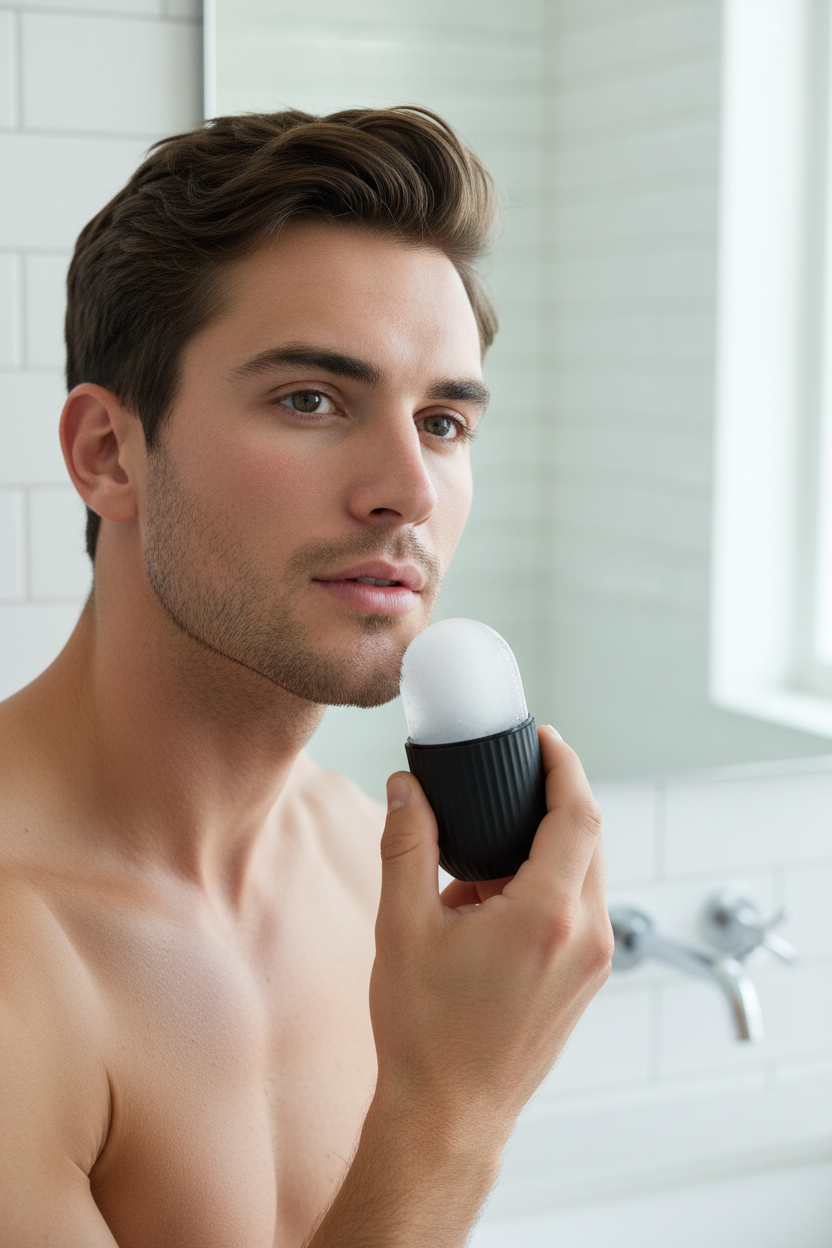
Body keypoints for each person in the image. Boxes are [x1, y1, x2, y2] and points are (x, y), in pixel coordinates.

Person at [0, 106, 612, 1247]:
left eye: (440, 421)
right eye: (311, 400)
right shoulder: (17, 955)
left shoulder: (370, 872)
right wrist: (451, 1114)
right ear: (107, 453)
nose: (407, 491)